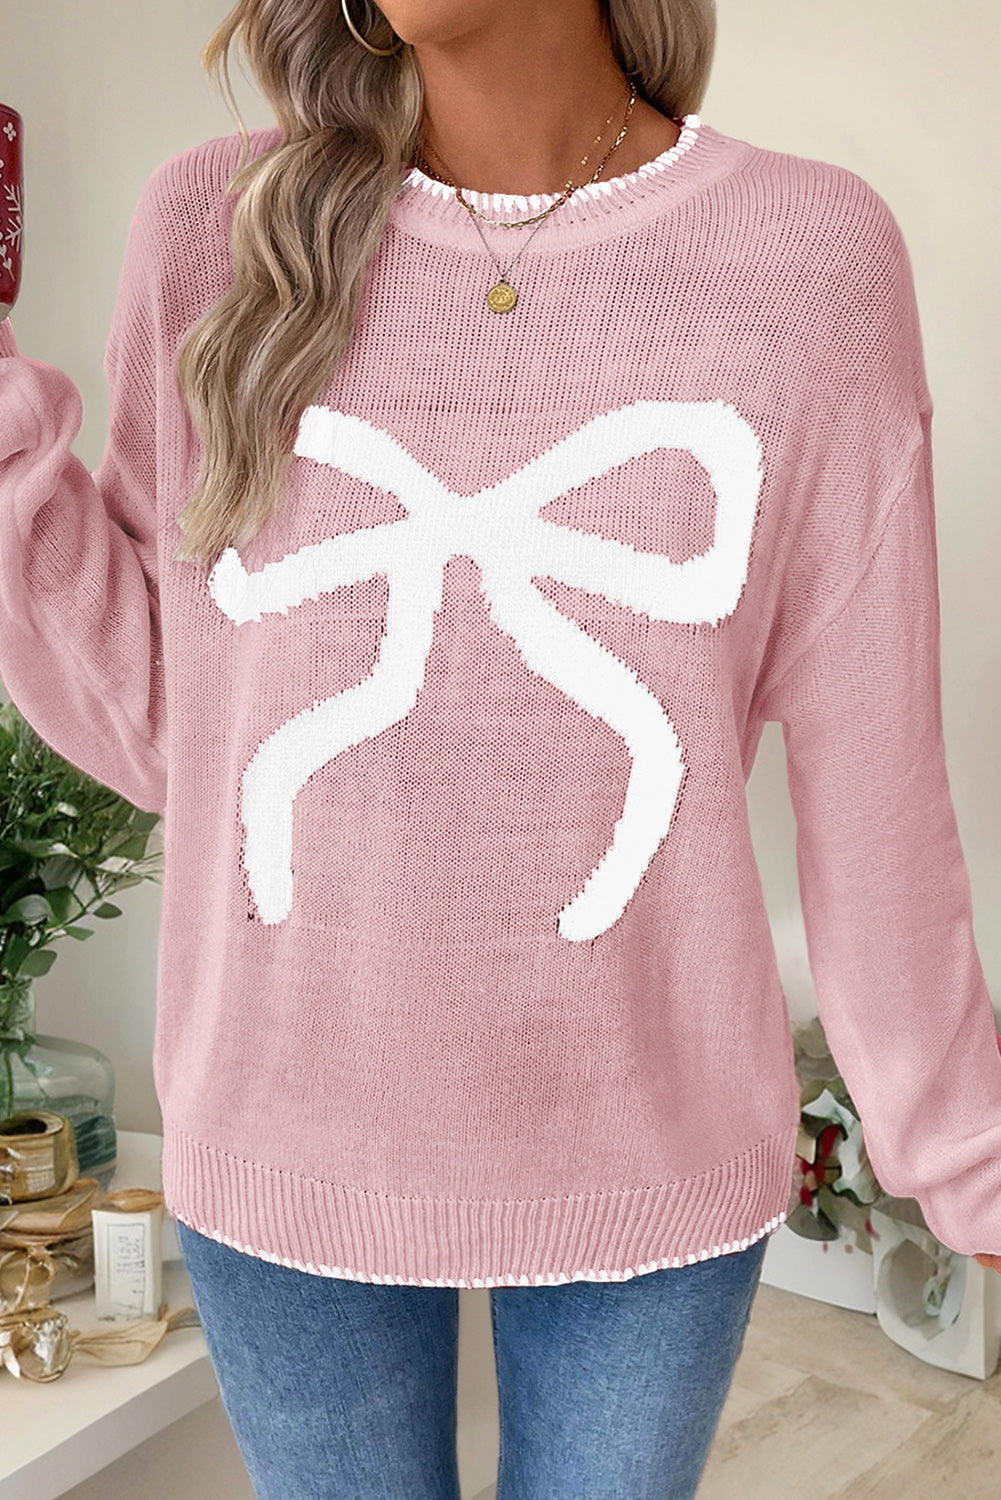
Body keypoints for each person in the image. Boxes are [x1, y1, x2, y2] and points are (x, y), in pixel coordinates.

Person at [1, 0, 1000, 1495]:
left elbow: (878, 786)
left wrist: (968, 1156)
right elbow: (178, 726)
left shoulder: (810, 259)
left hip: (648, 1139)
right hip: (284, 1125)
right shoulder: (215, 229)